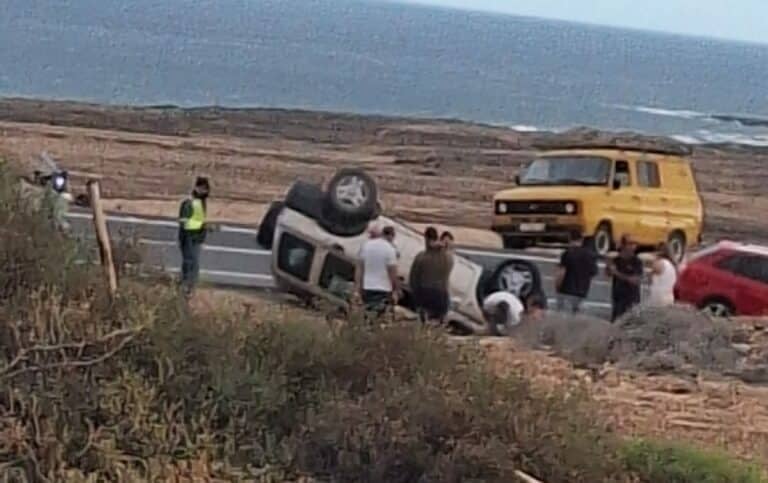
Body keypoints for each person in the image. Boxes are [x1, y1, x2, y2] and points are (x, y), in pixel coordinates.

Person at [409, 227, 454, 324]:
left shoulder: (421, 257)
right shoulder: (448, 257)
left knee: (423, 323)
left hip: (424, 293)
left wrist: (415, 295)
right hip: (441, 295)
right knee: (438, 324)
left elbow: (413, 279)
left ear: (426, 239)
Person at [178, 177, 210, 296]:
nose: (206, 192)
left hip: (196, 239)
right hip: (189, 239)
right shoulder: (190, 203)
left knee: (193, 265)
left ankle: (189, 288)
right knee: (191, 264)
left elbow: (198, 220)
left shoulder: (199, 202)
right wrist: (203, 226)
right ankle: (186, 288)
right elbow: (186, 223)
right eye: (203, 189)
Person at [359, 224, 400, 316]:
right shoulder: (390, 250)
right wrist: (396, 290)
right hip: (383, 289)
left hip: (367, 287)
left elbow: (360, 268)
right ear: (391, 236)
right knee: (379, 316)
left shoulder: (367, 245)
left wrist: (359, 287)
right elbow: (392, 273)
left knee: (367, 313)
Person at [555, 230, 598, 313]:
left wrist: (557, 288)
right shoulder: (589, 255)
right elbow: (593, 272)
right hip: (582, 293)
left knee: (563, 320)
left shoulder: (567, 254)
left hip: (566, 291)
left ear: (569, 238)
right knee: (576, 321)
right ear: (581, 240)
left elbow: (561, 273)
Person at [606, 235, 643, 321]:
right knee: (615, 323)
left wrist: (617, 273)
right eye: (629, 244)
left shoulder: (636, 261)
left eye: (634, 244)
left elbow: (635, 280)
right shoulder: (616, 260)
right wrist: (608, 266)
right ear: (623, 245)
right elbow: (608, 274)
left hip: (631, 299)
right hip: (618, 298)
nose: (633, 247)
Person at [647, 242, 678, 307]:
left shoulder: (659, 263)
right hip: (669, 297)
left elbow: (650, 279)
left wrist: (655, 258)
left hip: (659, 298)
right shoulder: (673, 265)